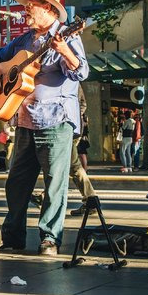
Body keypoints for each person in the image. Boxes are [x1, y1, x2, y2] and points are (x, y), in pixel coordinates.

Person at [0, 0, 88, 256]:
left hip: (56, 120)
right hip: (26, 120)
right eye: (26, 4)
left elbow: (81, 72)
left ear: (50, 10)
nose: (25, 9)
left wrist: (64, 50)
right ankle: (12, 235)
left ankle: (50, 238)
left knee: (54, 184)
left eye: (32, 5)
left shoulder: (68, 36)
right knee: (16, 182)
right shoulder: (25, 39)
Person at [68, 85, 97, 216]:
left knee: (72, 166)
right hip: (68, 129)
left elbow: (82, 104)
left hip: (66, 130)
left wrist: (68, 119)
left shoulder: (70, 77)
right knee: (68, 166)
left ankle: (90, 200)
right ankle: (90, 200)